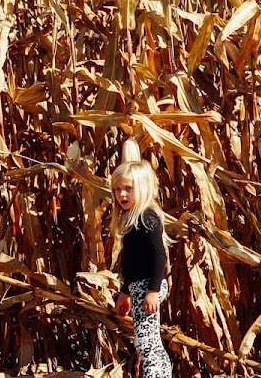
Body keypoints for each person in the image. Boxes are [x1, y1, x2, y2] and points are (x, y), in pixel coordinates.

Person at [111, 158, 173, 378]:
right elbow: (131, 261)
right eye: (117, 189)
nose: (122, 195)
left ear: (143, 187)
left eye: (128, 188)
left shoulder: (147, 217)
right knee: (148, 340)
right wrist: (125, 292)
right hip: (140, 287)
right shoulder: (131, 219)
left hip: (149, 286)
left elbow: (159, 254)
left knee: (146, 341)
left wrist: (153, 291)